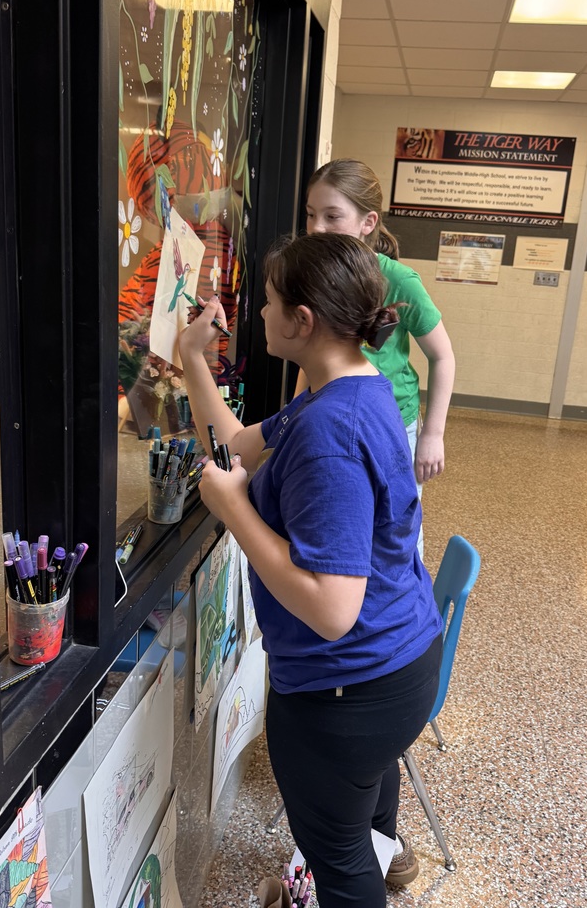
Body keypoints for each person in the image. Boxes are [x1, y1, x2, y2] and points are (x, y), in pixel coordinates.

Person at [180, 232, 444, 908]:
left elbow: (331, 608)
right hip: (398, 663)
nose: (258, 315)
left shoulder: (330, 429)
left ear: (302, 321)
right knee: (361, 833)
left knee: (342, 864)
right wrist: (190, 361)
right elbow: (235, 447)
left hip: (347, 690)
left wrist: (235, 511)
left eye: (268, 304)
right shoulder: (348, 388)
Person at [300, 159, 455, 554]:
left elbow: (443, 357)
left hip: (391, 425)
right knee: (339, 516)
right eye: (311, 215)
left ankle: (403, 609)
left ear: (368, 222)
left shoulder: (399, 282)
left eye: (332, 216)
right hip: (333, 419)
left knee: (395, 530)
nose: (317, 228)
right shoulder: (312, 279)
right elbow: (311, 356)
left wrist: (432, 435)